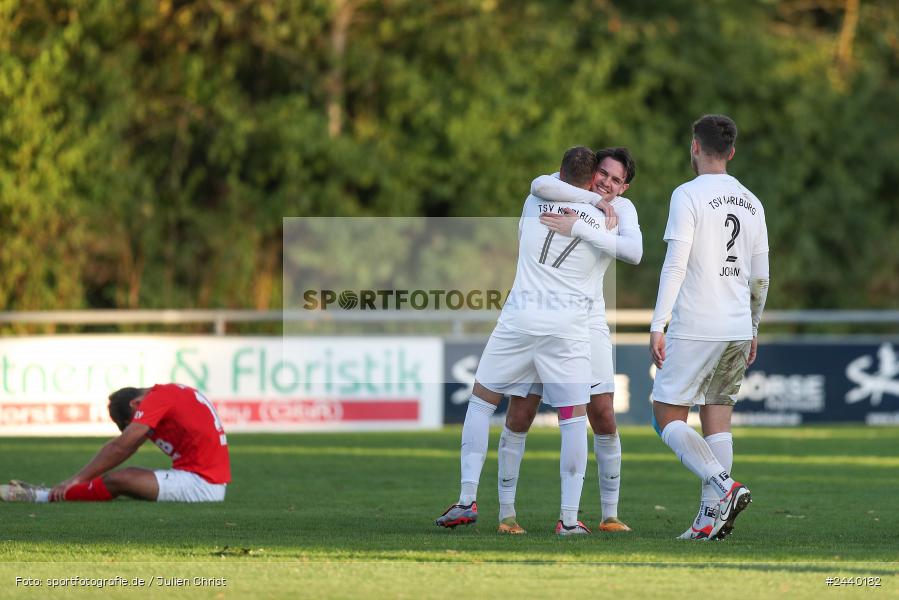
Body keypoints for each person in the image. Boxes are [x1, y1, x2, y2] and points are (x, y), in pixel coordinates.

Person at [435, 146, 610, 535]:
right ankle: (568, 520)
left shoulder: (537, 198)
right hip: (567, 329)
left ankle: (467, 498)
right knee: (572, 421)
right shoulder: (601, 217)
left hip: (520, 320)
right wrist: (600, 200)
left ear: (561, 173)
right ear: (594, 177)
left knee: (481, 402)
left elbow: (543, 181)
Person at [494, 147, 642, 535]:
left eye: (615, 180)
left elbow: (634, 251)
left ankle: (608, 515)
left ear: (624, 187)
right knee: (521, 412)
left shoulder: (623, 211)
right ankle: (507, 514)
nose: (606, 183)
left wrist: (581, 226)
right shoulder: (563, 191)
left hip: (588, 321)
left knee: (603, 415)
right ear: (592, 173)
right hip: (540, 314)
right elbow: (540, 182)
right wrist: (590, 201)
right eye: (602, 174)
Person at [649, 114, 769, 541]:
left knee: (665, 415)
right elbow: (760, 278)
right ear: (731, 152)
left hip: (697, 323)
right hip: (737, 325)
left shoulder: (687, 194)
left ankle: (724, 486)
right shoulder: (752, 201)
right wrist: (753, 327)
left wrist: (657, 323)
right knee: (717, 419)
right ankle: (708, 520)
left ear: (694, 147)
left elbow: (676, 263)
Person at [0, 384, 231, 503]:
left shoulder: (154, 400)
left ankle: (43, 496)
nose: (133, 431)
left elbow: (122, 446)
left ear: (135, 404)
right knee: (123, 477)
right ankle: (51, 491)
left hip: (204, 485)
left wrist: (77, 478)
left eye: (128, 424)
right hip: (201, 477)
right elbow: (125, 445)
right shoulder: (168, 394)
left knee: (119, 479)